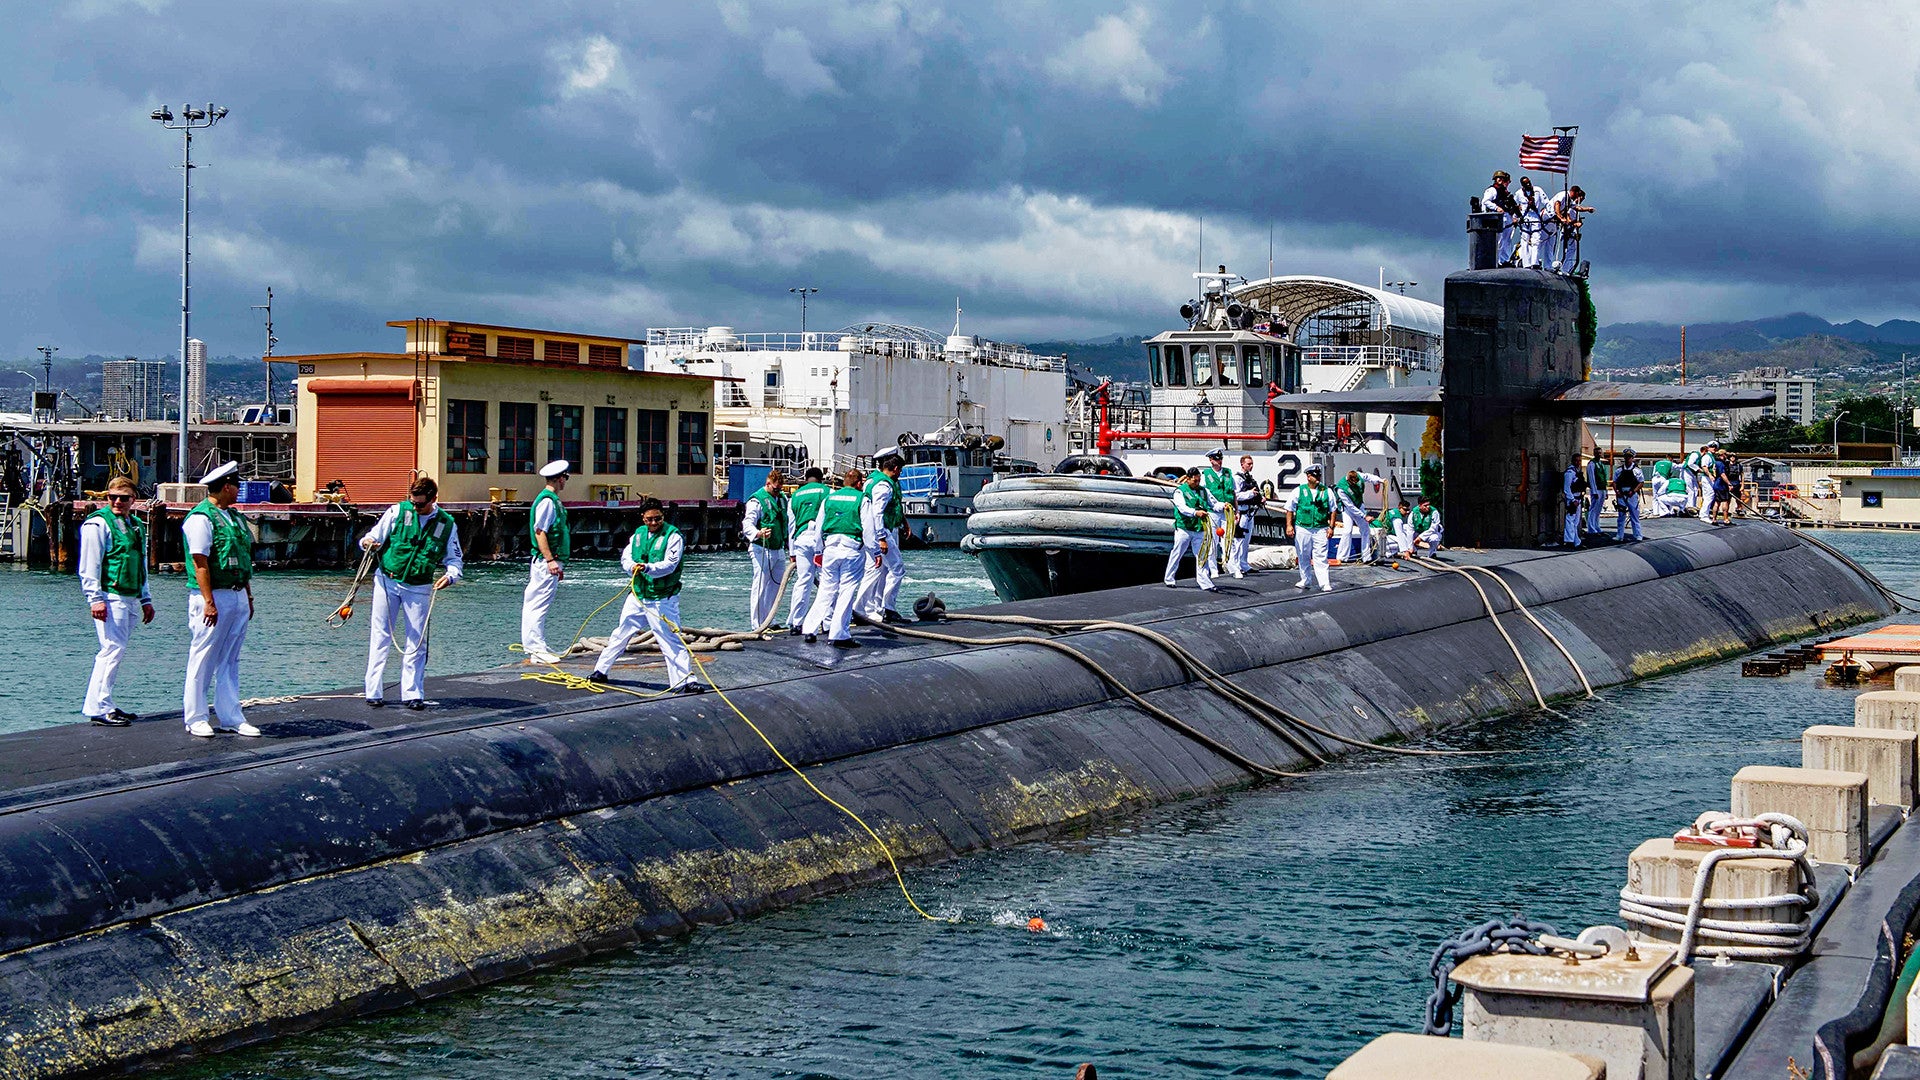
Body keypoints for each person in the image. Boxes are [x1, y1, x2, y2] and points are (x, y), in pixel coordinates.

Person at [359, 476, 462, 710]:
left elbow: (455, 559)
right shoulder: (397, 512)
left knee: (416, 642)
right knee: (381, 636)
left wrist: (451, 575)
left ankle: (413, 693)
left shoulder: (446, 525)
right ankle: (373, 691)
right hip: (387, 580)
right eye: (413, 503)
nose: (415, 508)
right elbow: (374, 535)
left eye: (420, 505)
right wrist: (368, 543)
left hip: (418, 586)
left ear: (433, 500)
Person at [589, 497, 705, 694]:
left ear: (663, 516)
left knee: (670, 639)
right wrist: (632, 567)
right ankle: (600, 671)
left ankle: (685, 680)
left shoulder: (673, 536)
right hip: (638, 595)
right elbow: (626, 557)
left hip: (662, 598)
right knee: (621, 633)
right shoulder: (638, 536)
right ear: (643, 518)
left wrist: (648, 568)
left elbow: (670, 564)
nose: (653, 523)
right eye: (649, 519)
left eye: (657, 519)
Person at [182, 462, 260, 738]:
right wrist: (208, 602)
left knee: (230, 658)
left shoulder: (235, 518)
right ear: (226, 486)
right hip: (214, 596)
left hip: (237, 593)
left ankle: (231, 716)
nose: (239, 490)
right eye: (237, 486)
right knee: (203, 656)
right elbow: (200, 562)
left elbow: (243, 560)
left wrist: (248, 596)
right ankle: (196, 717)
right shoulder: (201, 518)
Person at [80, 477, 154, 726]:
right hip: (111, 595)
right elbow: (89, 566)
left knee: (115, 650)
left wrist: (146, 598)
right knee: (110, 649)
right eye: (112, 497)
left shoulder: (134, 525)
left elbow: (140, 563)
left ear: (134, 500)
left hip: (130, 595)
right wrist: (95, 599)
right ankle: (99, 706)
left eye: (124, 497)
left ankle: (105, 702)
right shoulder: (98, 524)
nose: (117, 502)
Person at [802, 470, 871, 648]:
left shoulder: (829, 499)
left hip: (830, 548)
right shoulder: (862, 499)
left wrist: (818, 551)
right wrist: (875, 552)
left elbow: (818, 527)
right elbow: (869, 529)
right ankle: (839, 634)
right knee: (846, 591)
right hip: (851, 548)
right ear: (859, 483)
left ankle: (809, 629)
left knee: (826, 590)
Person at [520, 460, 571, 664]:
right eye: (565, 478)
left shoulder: (551, 500)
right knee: (537, 605)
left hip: (549, 561)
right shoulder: (548, 501)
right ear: (560, 479)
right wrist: (550, 560)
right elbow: (540, 531)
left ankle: (536, 646)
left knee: (538, 603)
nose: (565, 482)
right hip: (546, 562)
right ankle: (536, 649)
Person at [857, 446, 909, 625]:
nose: (900, 473)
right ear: (894, 468)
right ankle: (888, 608)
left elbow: (892, 506)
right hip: (882, 531)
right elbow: (877, 513)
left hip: (874, 531)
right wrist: (882, 538)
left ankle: (873, 608)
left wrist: (904, 522)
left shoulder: (871, 480)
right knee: (897, 569)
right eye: (900, 470)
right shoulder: (883, 486)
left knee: (880, 571)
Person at [741, 469, 790, 630]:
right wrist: (758, 533)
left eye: (780, 489)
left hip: (778, 547)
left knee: (776, 585)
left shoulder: (782, 499)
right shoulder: (756, 501)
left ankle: (771, 619)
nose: (778, 492)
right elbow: (747, 523)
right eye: (775, 489)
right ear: (768, 484)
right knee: (761, 585)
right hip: (762, 548)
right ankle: (757, 624)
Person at [784, 467, 830, 635]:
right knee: (827, 581)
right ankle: (827, 622)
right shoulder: (828, 491)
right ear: (821, 478)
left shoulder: (795, 496)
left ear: (806, 478)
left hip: (801, 539)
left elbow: (791, 525)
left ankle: (796, 622)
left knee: (803, 581)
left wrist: (792, 550)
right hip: (821, 540)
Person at [1164, 468, 1217, 592]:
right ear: (1188, 479)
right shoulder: (1180, 492)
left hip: (1199, 528)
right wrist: (1195, 513)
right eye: (1195, 481)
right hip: (1184, 528)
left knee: (1202, 555)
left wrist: (1223, 506)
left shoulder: (1204, 491)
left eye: (1199, 480)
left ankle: (1204, 582)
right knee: (1177, 553)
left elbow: (1213, 504)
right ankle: (1169, 578)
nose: (1197, 483)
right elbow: (1182, 508)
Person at [1286, 464, 1336, 592]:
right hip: (1303, 527)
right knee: (1303, 554)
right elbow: (1289, 509)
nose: (1318, 477)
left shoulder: (1327, 491)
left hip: (1320, 527)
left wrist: (1331, 527)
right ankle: (1305, 579)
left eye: (1319, 475)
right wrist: (1289, 525)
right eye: (1315, 475)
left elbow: (1333, 510)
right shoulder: (1298, 491)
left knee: (1321, 556)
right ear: (1308, 477)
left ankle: (1324, 583)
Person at [1200, 449, 1235, 574]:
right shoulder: (1206, 475)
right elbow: (1205, 494)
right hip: (1213, 512)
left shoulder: (1228, 473)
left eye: (1220, 459)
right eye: (1216, 459)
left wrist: (1236, 511)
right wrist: (1217, 505)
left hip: (1228, 512)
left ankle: (1231, 566)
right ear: (1211, 460)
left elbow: (1233, 492)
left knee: (1229, 540)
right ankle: (1213, 570)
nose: (1219, 461)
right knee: (1213, 542)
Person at [1335, 469, 1378, 563]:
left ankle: (1366, 557)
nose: (1356, 484)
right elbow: (1350, 506)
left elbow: (1369, 476)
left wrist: (1379, 480)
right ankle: (1342, 557)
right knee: (1347, 530)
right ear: (1349, 480)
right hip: (1347, 509)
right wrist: (1364, 516)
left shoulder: (1359, 476)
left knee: (1365, 530)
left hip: (1359, 505)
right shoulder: (1341, 488)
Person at [1230, 454, 1262, 577]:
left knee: (1246, 541)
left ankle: (1243, 563)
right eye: (1249, 464)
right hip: (1241, 512)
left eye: (1252, 463)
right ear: (1242, 464)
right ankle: (1236, 565)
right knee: (1238, 541)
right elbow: (1236, 496)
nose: (1251, 466)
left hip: (1250, 512)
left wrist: (1260, 497)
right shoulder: (1237, 479)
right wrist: (1250, 494)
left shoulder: (1249, 478)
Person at [1548, 185, 1593, 272]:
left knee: (1572, 250)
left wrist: (1587, 209)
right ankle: (1565, 268)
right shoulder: (1568, 206)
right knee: (1569, 250)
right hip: (1567, 231)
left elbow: (1577, 208)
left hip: (1572, 231)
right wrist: (1575, 223)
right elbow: (1567, 218)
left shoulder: (1573, 206)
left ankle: (1568, 267)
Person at [1481, 170, 1519, 266]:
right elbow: (1486, 201)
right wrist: (1496, 208)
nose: (1501, 181)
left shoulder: (1505, 192)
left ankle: (1504, 260)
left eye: (1503, 179)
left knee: (1506, 240)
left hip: (1507, 218)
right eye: (1499, 179)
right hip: (1497, 217)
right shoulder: (1492, 190)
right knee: (1499, 240)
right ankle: (1496, 261)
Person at [1514, 176, 1549, 269]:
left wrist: (1547, 214)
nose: (1529, 184)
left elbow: (1547, 203)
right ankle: (1526, 264)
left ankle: (1535, 262)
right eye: (1526, 183)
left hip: (1535, 217)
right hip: (1524, 219)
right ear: (1522, 185)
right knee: (1524, 241)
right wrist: (1515, 217)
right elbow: (1514, 205)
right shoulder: (1518, 193)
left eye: (1529, 182)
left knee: (1536, 241)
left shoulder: (1538, 190)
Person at [1613, 447, 1645, 542]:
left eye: (1629, 457)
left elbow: (1641, 482)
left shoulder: (1637, 470)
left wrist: (1634, 491)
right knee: (1621, 516)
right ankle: (1620, 535)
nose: (1628, 459)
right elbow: (1614, 482)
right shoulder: (1619, 470)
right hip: (1622, 494)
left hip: (1632, 494)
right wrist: (1617, 492)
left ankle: (1638, 535)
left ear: (1632, 458)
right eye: (1626, 457)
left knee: (1634, 516)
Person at [1561, 452, 1589, 547]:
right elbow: (1566, 488)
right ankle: (1569, 540)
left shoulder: (1578, 472)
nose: (1578, 462)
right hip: (1572, 499)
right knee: (1570, 519)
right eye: (1576, 461)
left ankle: (1576, 541)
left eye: (1579, 461)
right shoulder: (1570, 473)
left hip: (1578, 498)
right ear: (1573, 461)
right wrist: (1573, 500)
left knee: (1576, 522)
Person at [1695, 443, 1720, 523]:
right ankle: (1704, 515)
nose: (1714, 448)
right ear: (1708, 448)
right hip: (1707, 478)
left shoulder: (1712, 457)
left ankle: (1705, 513)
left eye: (1715, 447)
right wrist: (1710, 475)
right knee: (1709, 496)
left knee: (1710, 495)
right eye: (1712, 447)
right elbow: (1704, 467)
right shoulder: (1707, 457)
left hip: (1710, 477)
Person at [1584, 453, 1608, 537]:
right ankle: (1591, 528)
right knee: (1593, 509)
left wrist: (1606, 491)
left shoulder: (1601, 464)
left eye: (1600, 453)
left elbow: (1604, 478)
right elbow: (1592, 478)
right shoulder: (1591, 464)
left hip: (1602, 488)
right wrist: (1594, 491)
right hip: (1596, 489)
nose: (1599, 454)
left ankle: (1597, 527)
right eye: (1598, 453)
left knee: (1598, 510)